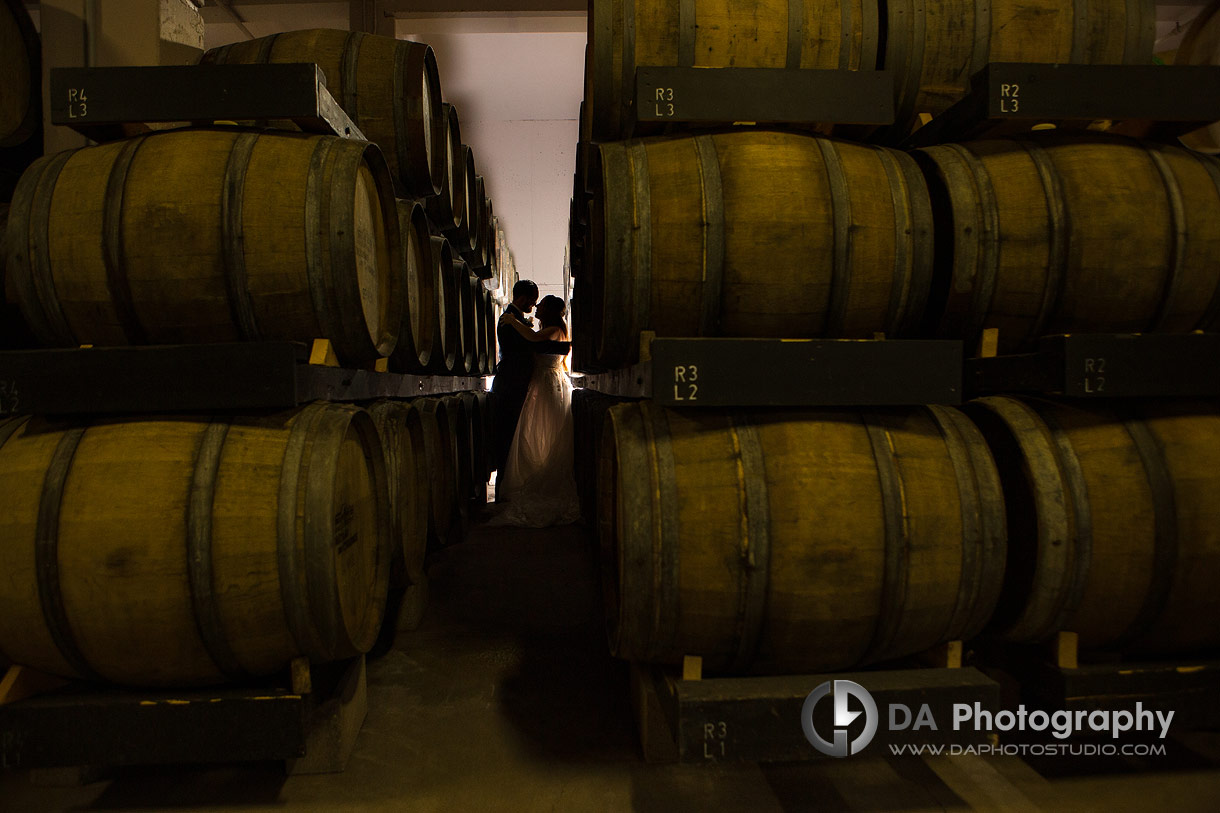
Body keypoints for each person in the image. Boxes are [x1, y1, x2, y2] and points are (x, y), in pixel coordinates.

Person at [489, 295, 581, 527]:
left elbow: (533, 337)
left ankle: (544, 481)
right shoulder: (552, 329)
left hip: (550, 385)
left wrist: (513, 321)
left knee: (546, 433)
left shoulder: (553, 330)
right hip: (541, 384)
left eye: (541, 305)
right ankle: (534, 475)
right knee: (536, 432)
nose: (536, 307)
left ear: (548, 310)